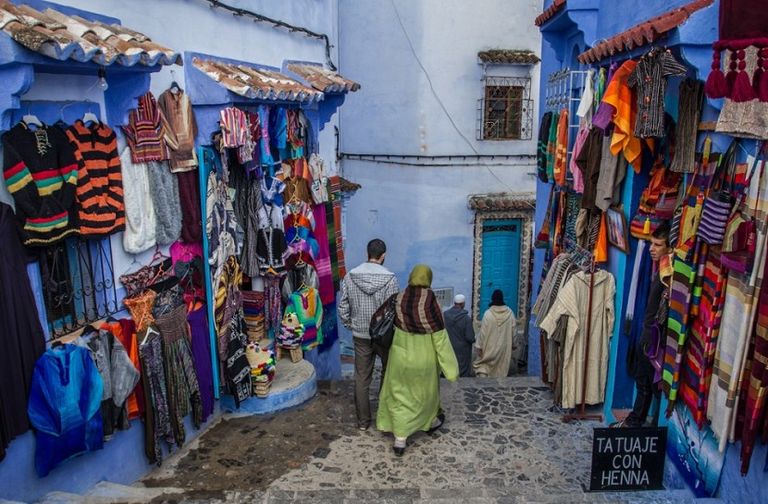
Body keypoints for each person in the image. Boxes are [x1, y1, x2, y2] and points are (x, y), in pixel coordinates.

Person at [376, 264, 459, 456]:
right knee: (424, 395)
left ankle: (400, 439)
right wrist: (451, 370)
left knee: (399, 395)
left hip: (399, 357)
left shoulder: (398, 298)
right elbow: (440, 337)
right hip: (424, 359)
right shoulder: (431, 300)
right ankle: (428, 422)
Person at [613, 222, 672, 428]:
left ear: (669, 248)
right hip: (647, 333)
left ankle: (640, 422)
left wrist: (651, 336)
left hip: (653, 337)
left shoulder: (668, 274)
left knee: (648, 383)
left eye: (658, 245)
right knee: (643, 379)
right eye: (651, 244)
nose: (651, 249)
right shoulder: (661, 269)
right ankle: (639, 420)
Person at [338, 238, 399, 431]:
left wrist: (351, 324)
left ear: (367, 253)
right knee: (387, 374)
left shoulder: (350, 276)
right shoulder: (390, 278)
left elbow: (343, 307)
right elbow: (393, 310)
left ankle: (363, 422)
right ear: (383, 256)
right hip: (384, 337)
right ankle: (383, 417)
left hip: (360, 336)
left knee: (362, 378)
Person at [473, 290, 516, 378]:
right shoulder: (510, 314)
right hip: (503, 348)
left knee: (485, 365)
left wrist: (479, 346)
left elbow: (483, 333)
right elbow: (514, 332)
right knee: (500, 368)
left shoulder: (488, 314)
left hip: (489, 347)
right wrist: (514, 344)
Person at [444, 294, 475, 377]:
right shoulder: (466, 319)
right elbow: (470, 337)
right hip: (462, 350)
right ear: (462, 304)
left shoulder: (445, 316)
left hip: (448, 347)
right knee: (462, 372)